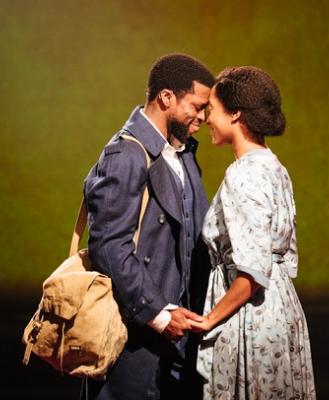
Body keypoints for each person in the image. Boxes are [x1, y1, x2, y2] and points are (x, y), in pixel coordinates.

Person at [81, 53, 214, 400]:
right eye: (197, 106)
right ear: (166, 97)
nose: (202, 116)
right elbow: (109, 246)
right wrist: (156, 312)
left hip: (177, 342)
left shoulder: (183, 153)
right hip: (134, 337)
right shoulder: (125, 154)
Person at [190, 66, 316, 399]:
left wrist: (208, 320)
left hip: (251, 317)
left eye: (212, 110)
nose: (205, 119)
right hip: (278, 308)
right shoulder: (273, 166)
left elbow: (253, 271)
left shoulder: (244, 175)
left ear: (235, 115)